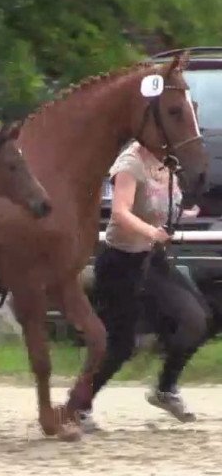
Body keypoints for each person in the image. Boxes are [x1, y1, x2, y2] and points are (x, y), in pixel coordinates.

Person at [79, 140, 210, 431]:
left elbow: (161, 205)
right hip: (121, 263)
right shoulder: (130, 163)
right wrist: (152, 231)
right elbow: (120, 213)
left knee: (197, 320)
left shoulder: (168, 161)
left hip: (152, 260)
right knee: (121, 345)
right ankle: (79, 405)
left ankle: (165, 389)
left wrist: (184, 215)